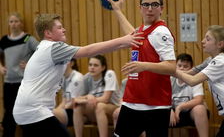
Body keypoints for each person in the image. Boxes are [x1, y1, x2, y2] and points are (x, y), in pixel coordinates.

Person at [12, 14, 143, 137]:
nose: (64, 30)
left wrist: (123, 44)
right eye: (59, 27)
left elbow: (98, 50)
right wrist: (123, 40)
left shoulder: (44, 48)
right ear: (48, 33)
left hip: (24, 110)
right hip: (34, 111)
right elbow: (87, 51)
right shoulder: (53, 47)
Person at [109, 0, 176, 137]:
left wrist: (143, 65)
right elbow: (132, 34)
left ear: (161, 9)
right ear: (140, 8)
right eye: (146, 5)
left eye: (154, 5)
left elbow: (171, 67)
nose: (150, 9)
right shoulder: (144, 30)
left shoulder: (161, 32)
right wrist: (117, 10)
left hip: (155, 105)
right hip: (132, 101)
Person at [0, 12, 39, 137]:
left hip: (23, 83)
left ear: (21, 23)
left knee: (25, 112)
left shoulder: (27, 39)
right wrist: (0, 67)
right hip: (8, 83)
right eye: (11, 21)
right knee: (9, 114)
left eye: (16, 21)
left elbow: (41, 52)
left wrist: (30, 64)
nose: (13, 24)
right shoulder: (4, 40)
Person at [73, 55, 120, 137]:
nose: (92, 68)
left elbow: (105, 99)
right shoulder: (87, 77)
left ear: (103, 67)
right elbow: (76, 99)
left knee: (100, 106)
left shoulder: (109, 74)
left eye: (95, 65)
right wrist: (88, 96)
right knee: (77, 107)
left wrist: (89, 99)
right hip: (95, 111)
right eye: (90, 65)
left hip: (113, 110)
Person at [170, 53, 209, 137]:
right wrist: (170, 110)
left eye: (185, 66)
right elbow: (162, 99)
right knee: (156, 111)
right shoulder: (170, 79)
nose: (182, 68)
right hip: (173, 113)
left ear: (191, 68)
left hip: (190, 113)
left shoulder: (194, 79)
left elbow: (199, 99)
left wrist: (179, 107)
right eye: (179, 65)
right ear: (175, 66)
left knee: (200, 108)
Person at [53, 58, 84, 126]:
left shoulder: (77, 78)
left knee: (48, 115)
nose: (61, 65)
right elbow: (64, 101)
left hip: (77, 112)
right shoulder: (64, 78)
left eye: (64, 62)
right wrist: (57, 110)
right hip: (68, 109)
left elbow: (72, 102)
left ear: (72, 63)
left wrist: (56, 112)